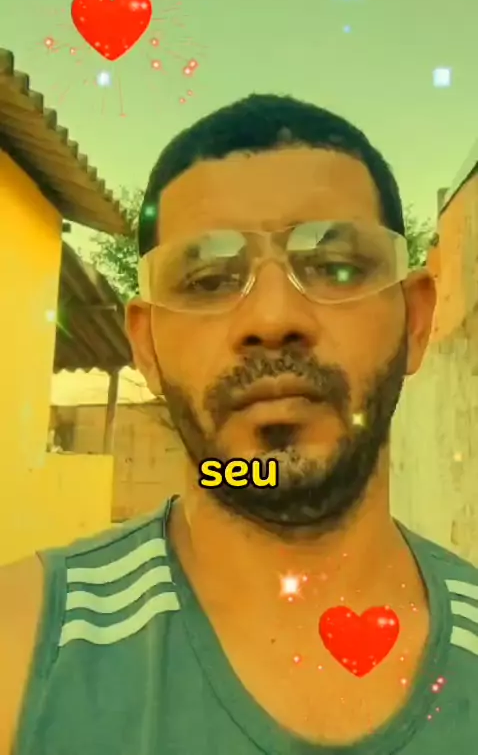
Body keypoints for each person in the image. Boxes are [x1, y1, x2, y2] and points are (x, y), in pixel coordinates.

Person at [3, 94, 478, 755]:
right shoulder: (21, 649)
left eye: (336, 267)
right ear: (147, 346)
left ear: (416, 322)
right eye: (207, 280)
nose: (272, 317)